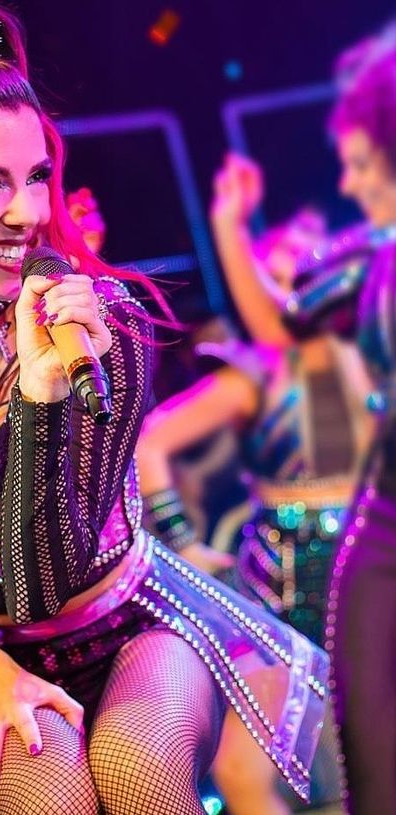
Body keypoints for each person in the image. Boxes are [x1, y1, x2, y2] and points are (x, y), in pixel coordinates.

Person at [0, 3, 328, 813]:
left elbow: (44, 584)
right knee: (52, 799)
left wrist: (38, 397)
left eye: (38, 174)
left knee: (136, 772)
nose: (32, 212)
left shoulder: (100, 328)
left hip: (133, 624)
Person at [137, 200, 369, 815]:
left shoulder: (361, 355)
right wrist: (184, 542)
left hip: (369, 559)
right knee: (263, 761)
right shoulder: (255, 374)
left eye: (312, 260)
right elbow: (151, 442)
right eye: (285, 265)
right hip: (283, 586)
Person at [280, 28, 396, 815]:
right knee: (372, 755)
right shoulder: (374, 256)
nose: (349, 185)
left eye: (360, 163)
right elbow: (289, 313)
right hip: (384, 524)